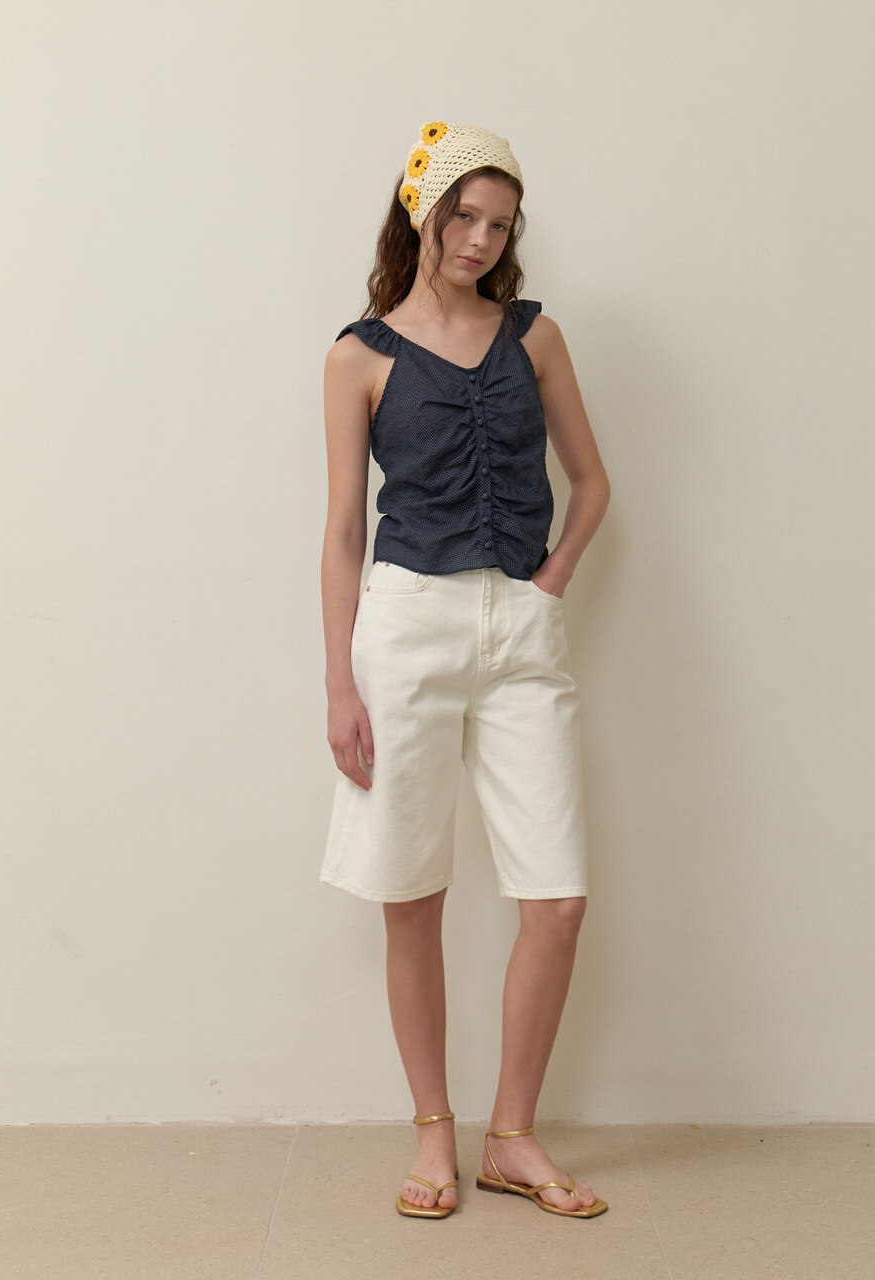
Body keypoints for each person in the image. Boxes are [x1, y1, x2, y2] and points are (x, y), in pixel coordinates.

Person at [319, 121, 611, 1220]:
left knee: (558, 899)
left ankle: (513, 1137)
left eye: (500, 223)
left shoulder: (535, 338)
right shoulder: (360, 356)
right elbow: (342, 533)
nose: (480, 240)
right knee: (413, 892)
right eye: (464, 216)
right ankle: (435, 1130)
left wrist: (549, 585)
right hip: (406, 629)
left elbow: (592, 482)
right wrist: (340, 684)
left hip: (521, 631)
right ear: (422, 212)